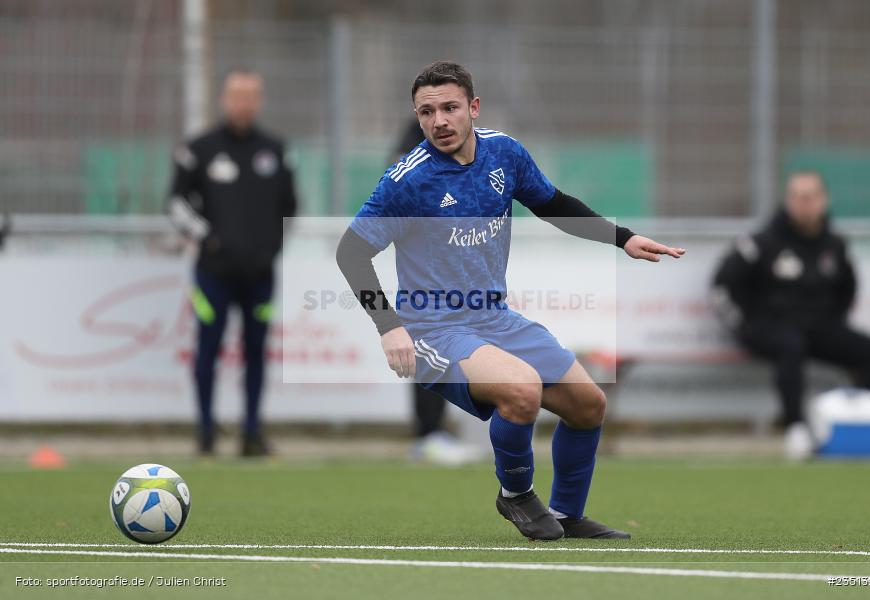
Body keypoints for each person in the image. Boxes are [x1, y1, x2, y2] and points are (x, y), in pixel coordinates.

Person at [336, 62, 684, 540]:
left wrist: (622, 238)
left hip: (494, 318)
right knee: (521, 390)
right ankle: (516, 494)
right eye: (427, 112)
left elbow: (552, 204)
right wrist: (388, 326)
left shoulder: (504, 153)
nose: (439, 121)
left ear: (474, 108)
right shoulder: (407, 181)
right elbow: (352, 251)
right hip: (433, 329)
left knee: (588, 404)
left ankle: (566, 514)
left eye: (450, 108)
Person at [713, 171, 870, 460]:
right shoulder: (762, 242)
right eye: (796, 197)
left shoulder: (835, 244)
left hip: (818, 327)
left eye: (810, 197)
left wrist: (834, 321)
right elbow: (724, 285)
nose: (803, 203)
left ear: (823, 200)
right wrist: (743, 325)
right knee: (790, 344)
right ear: (788, 200)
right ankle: (795, 429)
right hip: (767, 327)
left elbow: (847, 288)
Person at [167, 69, 298, 457]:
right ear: (224, 99)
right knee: (208, 349)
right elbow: (175, 204)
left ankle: (251, 433)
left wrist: (272, 245)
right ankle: (206, 433)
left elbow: (290, 206)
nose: (244, 104)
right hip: (214, 274)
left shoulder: (276, 150)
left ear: (260, 101)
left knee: (256, 351)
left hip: (260, 274)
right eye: (238, 96)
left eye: (251, 96)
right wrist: (207, 237)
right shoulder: (199, 149)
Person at [392, 118, 481, 466]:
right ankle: (428, 434)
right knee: (429, 346)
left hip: (456, 265)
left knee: (447, 348)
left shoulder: (473, 139)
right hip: (426, 268)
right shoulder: (416, 141)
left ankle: (433, 432)